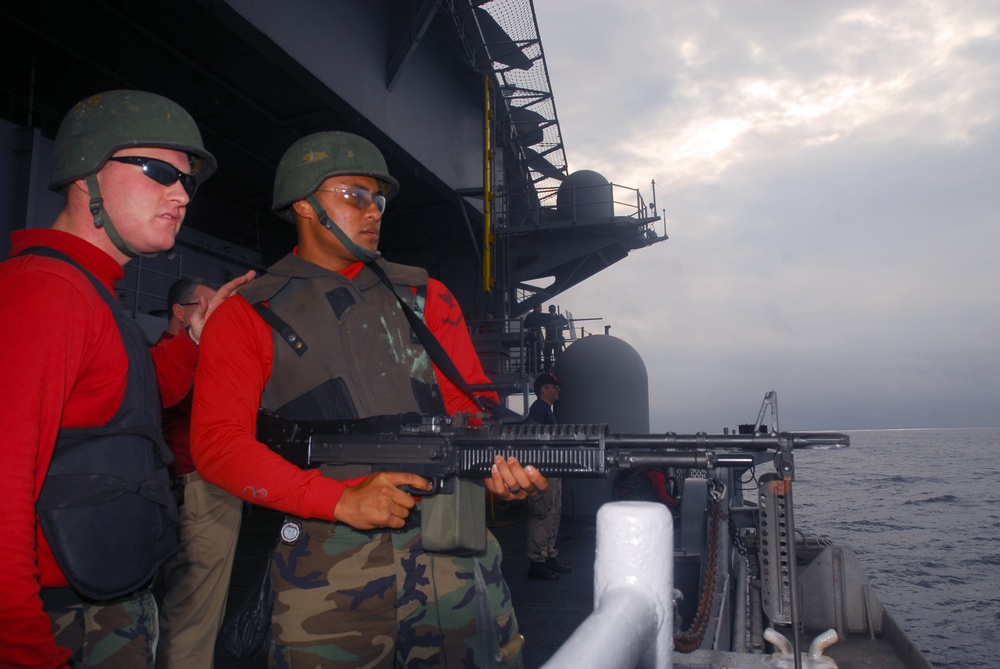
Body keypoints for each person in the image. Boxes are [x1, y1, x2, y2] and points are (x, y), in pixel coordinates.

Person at [190, 131, 547, 668]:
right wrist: (340, 501)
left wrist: (500, 464)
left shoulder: (427, 296)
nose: (373, 211)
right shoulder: (247, 313)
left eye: (378, 199)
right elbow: (217, 445)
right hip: (327, 573)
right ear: (304, 205)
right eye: (353, 196)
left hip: (449, 550)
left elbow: (467, 410)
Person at [0, 90, 253, 669]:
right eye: (159, 172)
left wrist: (196, 338)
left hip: (103, 604)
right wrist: (22, 648)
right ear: (86, 176)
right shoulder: (46, 293)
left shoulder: (88, 292)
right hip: (63, 620)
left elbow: (124, 407)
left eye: (188, 182)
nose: (181, 195)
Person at [156, 278, 244, 669]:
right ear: (181, 311)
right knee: (195, 611)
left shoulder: (166, 358)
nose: (217, 314)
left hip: (175, 491)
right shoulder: (171, 361)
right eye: (209, 305)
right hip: (200, 492)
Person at [524, 372, 572, 581]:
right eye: (554, 386)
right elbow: (532, 439)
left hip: (551, 468)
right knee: (542, 513)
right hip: (543, 469)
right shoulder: (538, 410)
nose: (558, 389)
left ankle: (549, 556)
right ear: (544, 389)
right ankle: (537, 562)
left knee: (553, 512)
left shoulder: (545, 411)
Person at [522, 303, 546, 373]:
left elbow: (524, 325)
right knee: (537, 354)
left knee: (530, 354)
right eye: (540, 307)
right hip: (536, 336)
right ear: (537, 307)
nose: (541, 309)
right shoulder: (537, 315)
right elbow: (546, 317)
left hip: (530, 336)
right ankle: (536, 370)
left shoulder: (529, 316)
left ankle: (529, 369)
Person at [543, 305, 568, 371]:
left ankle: (558, 368)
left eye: (553, 310)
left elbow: (566, 322)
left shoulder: (558, 317)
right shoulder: (547, 317)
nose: (552, 311)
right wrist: (553, 322)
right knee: (548, 355)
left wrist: (562, 318)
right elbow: (544, 324)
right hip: (550, 338)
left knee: (558, 355)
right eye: (552, 310)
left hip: (557, 338)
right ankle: (547, 368)